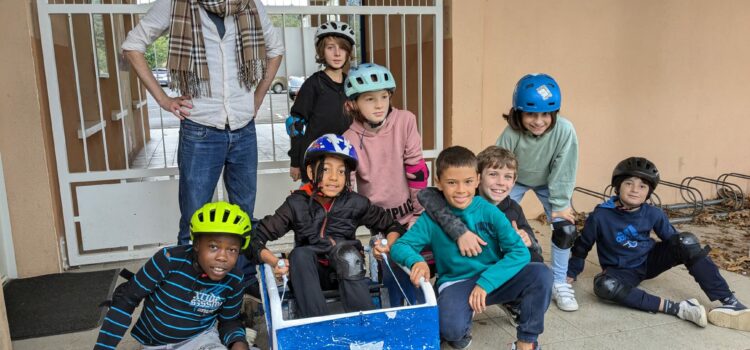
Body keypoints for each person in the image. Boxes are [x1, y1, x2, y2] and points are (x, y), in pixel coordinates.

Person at [121, 0, 284, 284]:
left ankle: (239, 287)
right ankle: (188, 290)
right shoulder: (176, 5)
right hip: (200, 129)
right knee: (194, 217)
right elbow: (133, 45)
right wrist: (163, 99)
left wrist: (257, 97)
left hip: (243, 128)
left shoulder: (249, 5)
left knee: (243, 216)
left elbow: (275, 49)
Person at [391, 146, 551, 350]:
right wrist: (417, 261)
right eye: (451, 183)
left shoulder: (490, 212)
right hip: (457, 281)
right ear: (439, 183)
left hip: (493, 278)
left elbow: (519, 251)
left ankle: (526, 343)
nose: (460, 190)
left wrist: (485, 283)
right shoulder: (432, 218)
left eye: (467, 182)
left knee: (541, 274)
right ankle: (460, 329)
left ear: (476, 180)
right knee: (451, 330)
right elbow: (400, 246)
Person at [567, 157, 750, 330]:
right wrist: (571, 272)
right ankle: (680, 309)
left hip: (649, 261)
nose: (635, 190)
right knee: (604, 286)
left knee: (685, 240)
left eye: (642, 186)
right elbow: (582, 246)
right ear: (617, 186)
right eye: (628, 183)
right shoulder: (600, 216)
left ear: (649, 192)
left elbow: (673, 241)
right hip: (621, 270)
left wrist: (690, 251)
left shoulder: (653, 213)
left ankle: (731, 303)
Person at [248, 134, 407, 318]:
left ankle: (367, 327)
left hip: (348, 274)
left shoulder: (356, 203)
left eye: (341, 171)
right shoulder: (296, 204)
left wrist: (387, 245)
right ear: (310, 172)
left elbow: (394, 226)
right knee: (300, 254)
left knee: (346, 252)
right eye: (325, 170)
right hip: (309, 277)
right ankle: (318, 327)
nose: (334, 178)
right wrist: (275, 262)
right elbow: (255, 239)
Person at [94, 202, 252, 350]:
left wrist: (239, 343)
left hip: (201, 339)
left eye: (232, 250)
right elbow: (126, 300)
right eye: (213, 246)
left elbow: (229, 321)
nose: (222, 257)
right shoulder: (168, 259)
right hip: (153, 344)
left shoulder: (234, 280)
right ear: (196, 244)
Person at [342, 63, 428, 306]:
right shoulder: (348, 139)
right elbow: (348, 191)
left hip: (411, 211)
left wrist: (419, 213)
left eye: (384, 96)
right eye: (369, 99)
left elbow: (416, 169)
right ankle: (395, 312)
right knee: (390, 265)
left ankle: (423, 308)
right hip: (379, 219)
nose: (379, 105)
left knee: (413, 261)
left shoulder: (405, 120)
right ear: (353, 104)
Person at [496, 73, 580, 311]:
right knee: (499, 222)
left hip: (550, 181)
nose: (539, 121)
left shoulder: (565, 130)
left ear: (554, 113)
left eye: (546, 114)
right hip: (514, 180)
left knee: (565, 227)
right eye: (531, 114)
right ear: (518, 113)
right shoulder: (511, 133)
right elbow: (497, 165)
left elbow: (565, 168)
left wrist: (561, 205)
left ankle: (560, 281)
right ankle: (507, 275)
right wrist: (494, 198)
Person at [287, 21, 356, 182]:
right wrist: (295, 162)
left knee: (342, 205)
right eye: (330, 47)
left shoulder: (351, 85)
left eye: (342, 48)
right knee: (314, 204)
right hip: (316, 159)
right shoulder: (313, 84)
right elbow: (295, 123)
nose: (337, 53)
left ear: (348, 52)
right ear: (322, 51)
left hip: (343, 158)